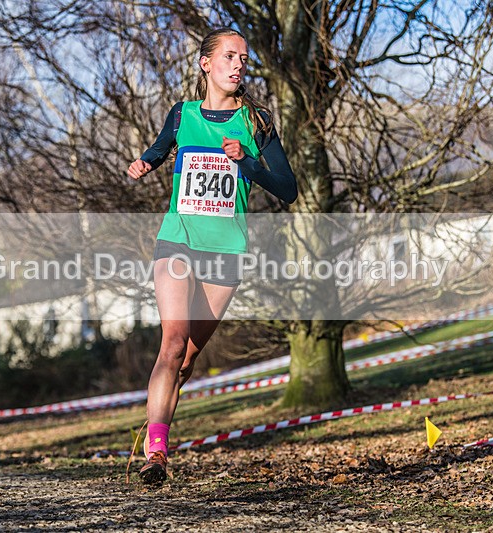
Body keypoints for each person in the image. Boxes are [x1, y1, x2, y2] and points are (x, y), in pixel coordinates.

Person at [126, 28, 298, 485]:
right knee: (172, 342)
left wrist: (247, 162)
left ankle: (156, 421)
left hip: (226, 250)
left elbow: (288, 189)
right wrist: (144, 161)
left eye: (244, 57)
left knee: (187, 359)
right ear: (206, 63)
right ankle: (156, 454)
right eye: (229, 55)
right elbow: (161, 150)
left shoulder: (257, 120)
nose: (239, 64)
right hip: (177, 239)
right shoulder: (182, 115)